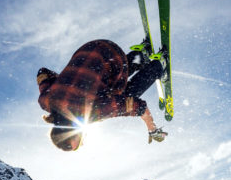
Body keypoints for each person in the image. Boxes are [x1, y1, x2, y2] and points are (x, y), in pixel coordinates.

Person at [37, 39, 168, 151]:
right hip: (92, 47)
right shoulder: (46, 101)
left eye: (79, 141)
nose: (83, 142)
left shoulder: (92, 112)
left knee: (124, 95)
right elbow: (42, 72)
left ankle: (159, 65)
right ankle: (140, 55)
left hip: (115, 56)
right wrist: (68, 82)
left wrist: (152, 129)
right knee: (102, 83)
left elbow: (137, 106)